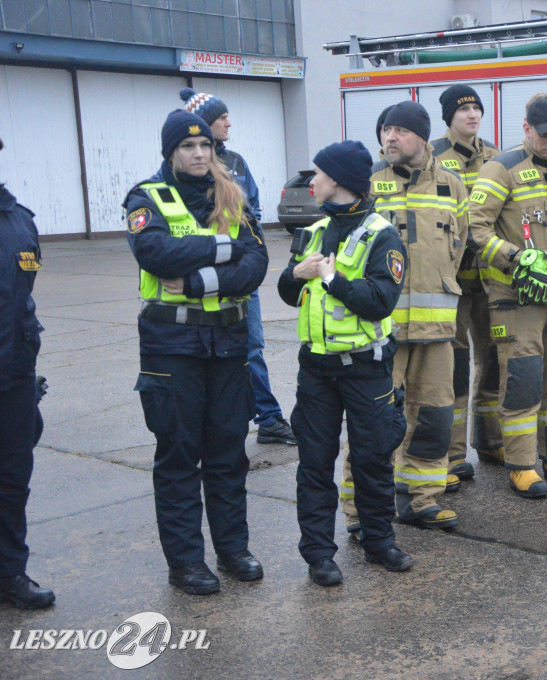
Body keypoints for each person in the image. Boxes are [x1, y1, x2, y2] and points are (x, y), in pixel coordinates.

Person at [125, 110, 268, 594]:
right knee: (179, 456)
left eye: (205, 146)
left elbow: (257, 264)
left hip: (227, 344)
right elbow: (156, 254)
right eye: (189, 148)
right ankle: (186, 562)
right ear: (172, 152)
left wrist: (196, 277)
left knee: (229, 452)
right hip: (172, 346)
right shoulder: (147, 197)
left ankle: (232, 549)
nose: (200, 154)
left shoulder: (230, 194)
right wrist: (227, 247)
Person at [279, 140, 412, 584]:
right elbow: (289, 291)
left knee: (373, 459)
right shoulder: (314, 230)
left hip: (367, 367)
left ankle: (380, 543)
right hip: (316, 369)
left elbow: (379, 301)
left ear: (337, 180)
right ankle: (319, 555)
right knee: (314, 462)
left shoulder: (383, 235)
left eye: (317, 174)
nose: (311, 181)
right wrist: (293, 275)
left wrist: (332, 279)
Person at [341, 101, 467, 530]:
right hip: (381, 330)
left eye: (399, 130)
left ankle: (422, 500)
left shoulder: (452, 185)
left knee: (433, 416)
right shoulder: (367, 185)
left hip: (436, 328)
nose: (389, 138)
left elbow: (459, 246)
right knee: (373, 423)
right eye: (385, 130)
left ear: (423, 136)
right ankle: (361, 514)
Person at [468, 93, 547, 498]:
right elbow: (474, 227)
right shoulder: (500, 168)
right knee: (523, 382)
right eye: (545, 133)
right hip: (518, 299)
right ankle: (522, 465)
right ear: (526, 128)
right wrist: (513, 258)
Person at [180, 88, 297, 446]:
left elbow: (254, 214)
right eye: (221, 117)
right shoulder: (185, 171)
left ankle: (269, 419)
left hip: (241, 274)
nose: (229, 122)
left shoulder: (238, 163)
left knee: (252, 346)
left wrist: (245, 252)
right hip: (206, 278)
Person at [430, 85, 501, 490]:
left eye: (476, 108)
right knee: (453, 370)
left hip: (490, 280)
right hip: (452, 283)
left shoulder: (495, 156)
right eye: (464, 110)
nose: (472, 115)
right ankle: (454, 456)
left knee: (492, 362)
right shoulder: (433, 156)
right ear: (449, 117)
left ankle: (491, 442)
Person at [0, 136, 54, 610]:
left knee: (14, 477)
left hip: (14, 374)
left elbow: (24, 295)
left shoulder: (21, 222)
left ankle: (10, 573)